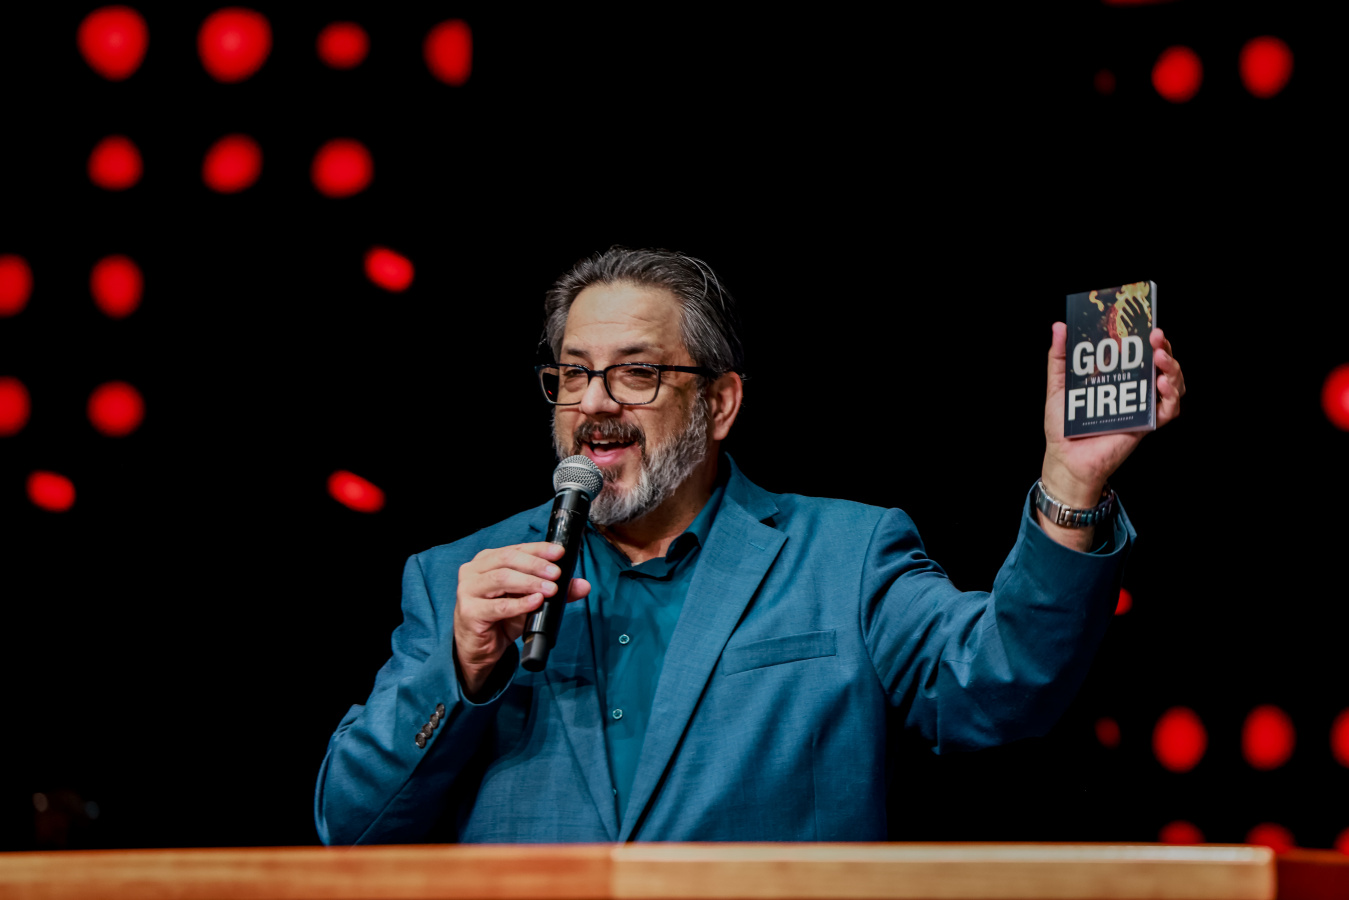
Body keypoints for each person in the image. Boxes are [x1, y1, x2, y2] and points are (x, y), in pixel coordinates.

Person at [314, 248, 1185, 844]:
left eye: (637, 372)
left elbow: (1002, 687)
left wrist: (1070, 487)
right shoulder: (457, 580)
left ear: (719, 403)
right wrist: (462, 669)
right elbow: (348, 824)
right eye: (573, 373)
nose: (595, 403)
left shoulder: (844, 556)